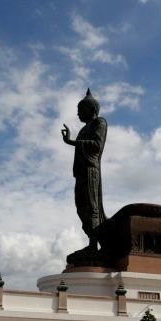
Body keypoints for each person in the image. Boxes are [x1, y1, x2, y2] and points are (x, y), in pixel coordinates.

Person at [61, 89, 107, 252]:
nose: (78, 114)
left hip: (90, 170)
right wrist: (70, 141)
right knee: (81, 207)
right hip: (81, 172)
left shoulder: (99, 123)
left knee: (91, 206)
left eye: (81, 110)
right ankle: (91, 241)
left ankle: (94, 244)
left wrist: (74, 141)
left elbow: (96, 146)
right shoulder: (83, 130)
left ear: (91, 110)